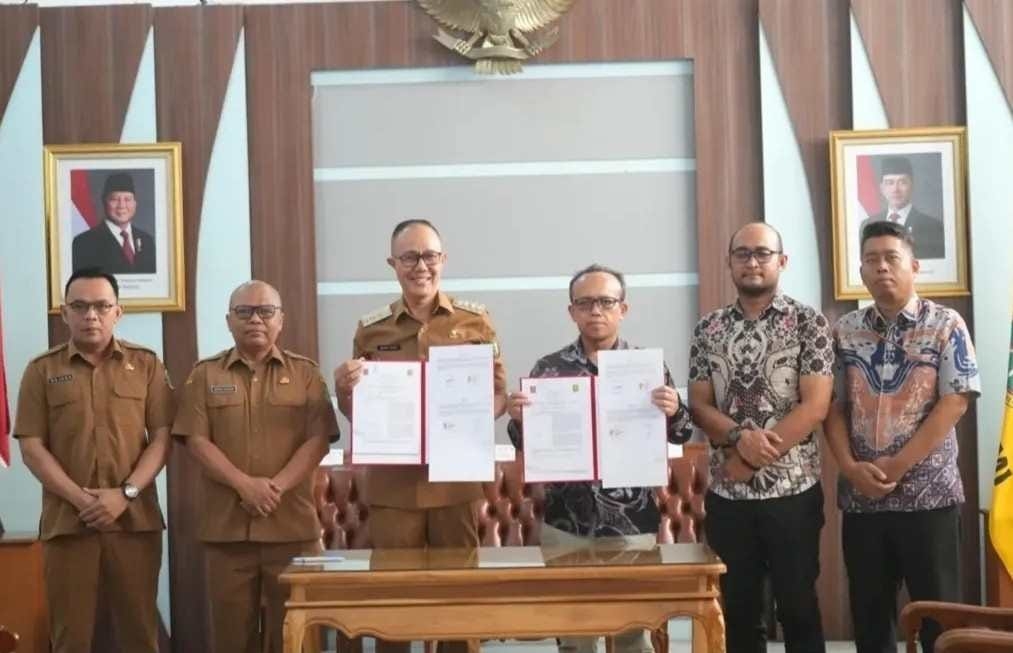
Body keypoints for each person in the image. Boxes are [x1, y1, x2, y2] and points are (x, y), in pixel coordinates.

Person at [333, 218, 507, 653]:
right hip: (395, 486)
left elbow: (498, 394)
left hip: (455, 484)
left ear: (443, 259)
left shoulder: (475, 321)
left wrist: (473, 417)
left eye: (429, 255)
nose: (420, 266)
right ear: (392, 264)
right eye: (409, 257)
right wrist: (344, 390)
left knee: (459, 602)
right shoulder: (372, 329)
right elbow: (359, 413)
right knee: (394, 603)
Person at [505, 263, 693, 653]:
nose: (596, 311)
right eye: (585, 303)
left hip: (631, 521)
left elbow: (681, 433)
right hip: (565, 521)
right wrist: (519, 419)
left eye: (606, 302)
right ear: (571, 311)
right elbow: (527, 446)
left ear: (623, 309)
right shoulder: (549, 369)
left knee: (633, 635)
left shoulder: (647, 368)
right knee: (574, 636)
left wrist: (675, 409)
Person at [824, 220, 980, 653]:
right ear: (861, 270)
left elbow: (956, 401)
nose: (881, 268)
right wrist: (849, 468)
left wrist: (898, 464)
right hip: (864, 501)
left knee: (939, 621)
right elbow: (831, 407)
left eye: (891, 258)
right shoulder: (844, 330)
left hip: (929, 499)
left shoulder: (945, 324)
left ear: (914, 266)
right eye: (871, 260)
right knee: (871, 621)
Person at [688, 222, 834, 653]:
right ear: (730, 262)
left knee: (798, 608)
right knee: (737, 611)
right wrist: (738, 437)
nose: (752, 262)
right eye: (742, 254)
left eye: (762, 253)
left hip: (793, 493)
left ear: (781, 261)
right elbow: (699, 404)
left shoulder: (809, 322)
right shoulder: (708, 328)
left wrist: (751, 457)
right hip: (728, 496)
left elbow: (815, 406)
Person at [172, 280, 339, 653]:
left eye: (266, 311)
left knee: (296, 638)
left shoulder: (306, 374)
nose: (255, 320)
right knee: (232, 639)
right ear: (229, 320)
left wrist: (274, 488)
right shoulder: (205, 374)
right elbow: (196, 441)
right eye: (244, 312)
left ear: (281, 320)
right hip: (228, 532)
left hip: (293, 530)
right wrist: (244, 485)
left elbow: (318, 441)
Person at [13, 268, 173, 653]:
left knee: (139, 635)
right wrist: (82, 500)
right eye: (80, 306)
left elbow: (163, 438)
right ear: (64, 313)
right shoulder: (42, 370)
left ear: (118, 312)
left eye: (102, 306)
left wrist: (126, 493)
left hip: (134, 523)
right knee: (70, 639)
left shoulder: (147, 365)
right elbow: (32, 446)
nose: (91, 315)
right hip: (69, 525)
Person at [860, 156, 944, 260]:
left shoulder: (932, 227)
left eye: (902, 182)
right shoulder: (868, 224)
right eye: (890, 183)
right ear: (882, 188)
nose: (896, 189)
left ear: (912, 185)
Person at [72, 172, 157, 274]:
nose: (122, 205)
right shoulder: (85, 243)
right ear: (104, 202)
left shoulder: (147, 241)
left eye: (127, 199)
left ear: (135, 204)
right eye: (115, 199)